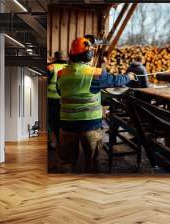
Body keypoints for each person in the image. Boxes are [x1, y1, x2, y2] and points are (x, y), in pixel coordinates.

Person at [57, 37, 135, 173]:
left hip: (66, 125)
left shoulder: (61, 73)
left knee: (67, 162)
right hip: (90, 126)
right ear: (89, 55)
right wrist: (129, 77)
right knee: (92, 162)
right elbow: (116, 80)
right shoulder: (95, 73)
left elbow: (60, 91)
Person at [47, 51, 67, 149]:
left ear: (55, 58)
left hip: (51, 99)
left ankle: (54, 141)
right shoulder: (68, 67)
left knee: (52, 121)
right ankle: (61, 142)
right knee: (62, 121)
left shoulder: (51, 67)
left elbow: (44, 81)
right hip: (64, 99)